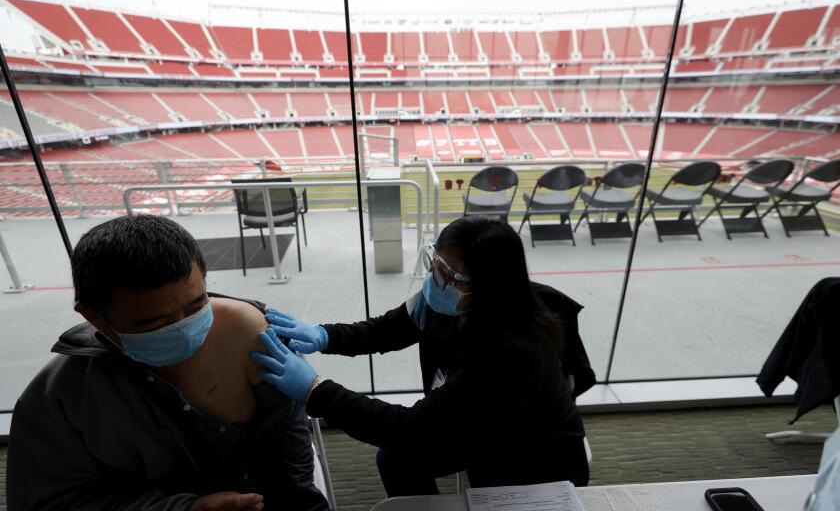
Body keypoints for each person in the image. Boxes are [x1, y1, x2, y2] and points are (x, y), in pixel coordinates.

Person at [7, 215, 328, 511]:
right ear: (94, 317)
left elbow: (291, 442)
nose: (182, 331)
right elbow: (52, 502)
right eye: (151, 322)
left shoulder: (252, 333)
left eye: (196, 306)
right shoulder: (61, 402)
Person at [252, 216, 591, 496]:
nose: (433, 278)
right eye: (434, 262)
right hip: (478, 425)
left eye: (446, 272)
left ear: (488, 286)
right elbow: (385, 330)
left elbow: (411, 429)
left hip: (531, 453)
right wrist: (323, 335)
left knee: (478, 485)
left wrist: (315, 390)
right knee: (396, 460)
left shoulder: (513, 353)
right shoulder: (448, 301)